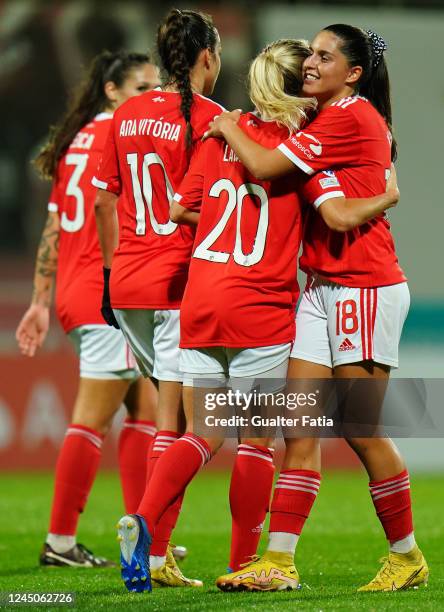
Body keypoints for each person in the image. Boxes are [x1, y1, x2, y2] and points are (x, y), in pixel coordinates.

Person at [123, 37, 398, 590]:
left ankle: (143, 525)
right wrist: (387, 195)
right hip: (260, 304)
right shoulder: (302, 146)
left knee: (201, 430)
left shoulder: (217, 136)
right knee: (256, 438)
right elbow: (336, 214)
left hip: (201, 295)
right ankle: (246, 559)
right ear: (299, 86)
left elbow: (180, 207)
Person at [208, 25, 428, 593]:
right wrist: (382, 196)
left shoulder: (348, 117)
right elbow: (330, 211)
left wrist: (230, 124)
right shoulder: (323, 121)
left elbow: (261, 166)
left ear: (352, 73)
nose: (311, 62)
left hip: (364, 286)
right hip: (321, 288)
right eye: (309, 52)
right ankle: (279, 563)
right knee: (297, 429)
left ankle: (406, 556)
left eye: (325, 56)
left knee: (360, 428)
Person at [93, 9, 223, 592]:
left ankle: (154, 551)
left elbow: (103, 202)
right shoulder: (214, 119)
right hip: (177, 285)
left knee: (163, 414)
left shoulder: (123, 115)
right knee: (191, 424)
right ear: (207, 57)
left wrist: (106, 273)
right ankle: (149, 541)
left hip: (126, 286)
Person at [16, 50, 161, 568]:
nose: (152, 97)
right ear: (113, 91)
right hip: (108, 290)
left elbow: (55, 227)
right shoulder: (122, 136)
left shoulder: (77, 142)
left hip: (79, 292)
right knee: (91, 419)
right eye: (142, 88)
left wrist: (39, 301)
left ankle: (142, 540)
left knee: (143, 407)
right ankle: (59, 543)